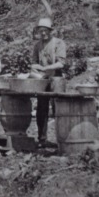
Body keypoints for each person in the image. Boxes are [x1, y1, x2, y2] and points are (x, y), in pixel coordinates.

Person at [31, 18, 67, 147]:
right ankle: (42, 139)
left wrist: (46, 68)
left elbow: (61, 62)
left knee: (59, 109)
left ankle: (62, 139)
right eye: (41, 31)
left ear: (50, 31)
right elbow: (34, 62)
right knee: (41, 110)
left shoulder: (59, 43)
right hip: (42, 80)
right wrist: (36, 70)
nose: (43, 33)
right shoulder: (37, 45)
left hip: (56, 78)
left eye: (46, 30)